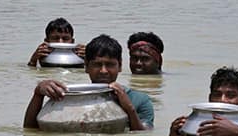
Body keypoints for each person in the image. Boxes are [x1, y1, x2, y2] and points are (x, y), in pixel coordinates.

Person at [24, 34, 154, 130]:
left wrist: (129, 109)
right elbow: (30, 130)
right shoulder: (69, 98)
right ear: (86, 66)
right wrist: (38, 93)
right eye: (97, 65)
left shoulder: (140, 100)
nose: (103, 71)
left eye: (110, 65)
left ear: (120, 66)